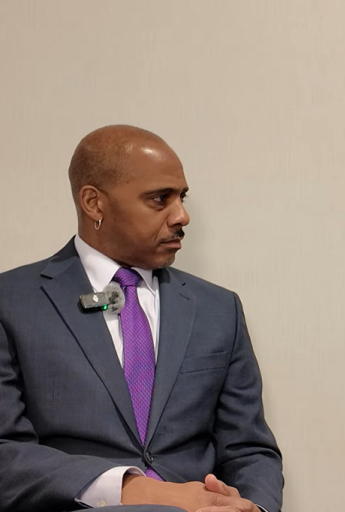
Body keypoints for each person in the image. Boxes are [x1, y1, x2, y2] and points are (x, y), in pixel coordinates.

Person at [0, 125, 283, 512]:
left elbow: (250, 449)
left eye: (181, 197)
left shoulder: (218, 309)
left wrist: (254, 507)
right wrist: (135, 490)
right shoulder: (12, 302)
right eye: (159, 199)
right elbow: (5, 454)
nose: (181, 215)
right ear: (94, 203)